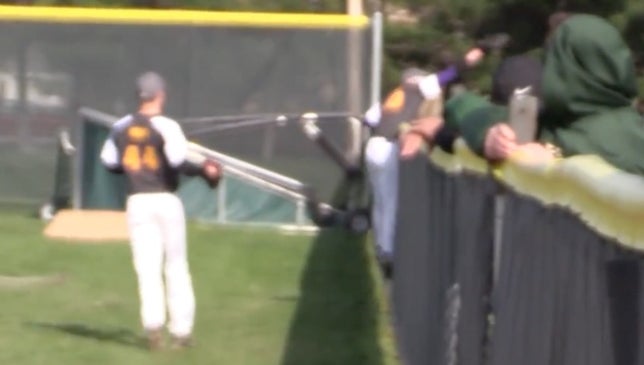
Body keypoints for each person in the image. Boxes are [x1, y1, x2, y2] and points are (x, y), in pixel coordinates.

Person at [100, 72, 221, 350]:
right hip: (165, 199)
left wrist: (135, 167)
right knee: (176, 265)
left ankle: (153, 326)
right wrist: (205, 170)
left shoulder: (121, 126)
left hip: (137, 201)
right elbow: (178, 161)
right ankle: (181, 332)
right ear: (161, 95)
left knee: (146, 268)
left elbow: (109, 162)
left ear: (139, 96)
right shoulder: (168, 126)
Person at [364, 47, 486, 273]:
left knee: (381, 200)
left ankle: (381, 246)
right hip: (389, 146)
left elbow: (368, 120)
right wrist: (468, 60)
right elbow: (448, 75)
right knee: (391, 200)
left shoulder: (394, 93)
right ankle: (388, 252)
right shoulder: (417, 86)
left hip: (372, 145)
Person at [481, 14, 644, 174]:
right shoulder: (634, 128)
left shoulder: (567, 139)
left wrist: (494, 138)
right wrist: (491, 135)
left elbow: (466, 109)